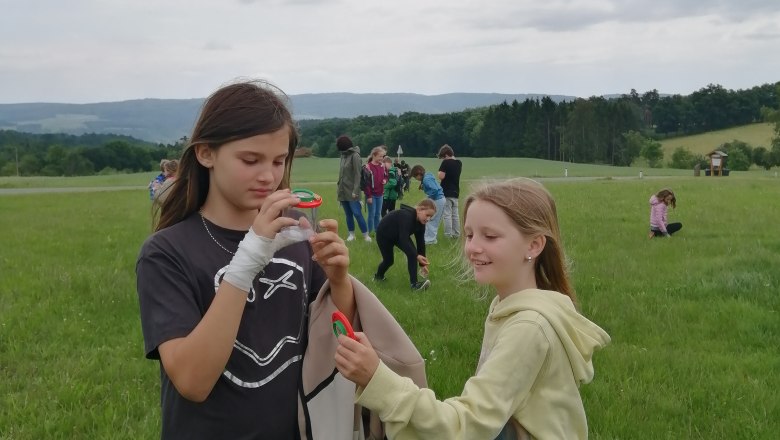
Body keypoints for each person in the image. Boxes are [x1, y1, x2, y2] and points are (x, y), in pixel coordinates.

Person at [136, 80, 372, 439]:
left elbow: (335, 339)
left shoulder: (293, 234)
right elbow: (192, 381)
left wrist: (338, 279)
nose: (269, 176)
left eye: (279, 161)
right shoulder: (166, 253)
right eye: (250, 160)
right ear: (206, 154)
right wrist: (249, 256)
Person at [335, 178, 611, 440]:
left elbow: (466, 428)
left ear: (534, 245)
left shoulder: (529, 328)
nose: (473, 248)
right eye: (469, 235)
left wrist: (377, 378)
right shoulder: (509, 305)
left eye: (490, 236)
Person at [373, 199, 435, 291]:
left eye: (431, 216)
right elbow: (403, 240)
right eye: (427, 215)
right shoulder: (407, 216)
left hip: (398, 235)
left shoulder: (421, 224)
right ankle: (378, 277)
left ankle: (414, 285)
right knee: (389, 261)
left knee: (412, 254)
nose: (428, 219)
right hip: (384, 235)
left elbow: (420, 243)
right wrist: (416, 255)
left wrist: (422, 264)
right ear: (419, 210)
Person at [337, 135, 371, 242]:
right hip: (343, 190)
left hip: (352, 191)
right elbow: (341, 173)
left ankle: (366, 235)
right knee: (348, 214)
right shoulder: (343, 156)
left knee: (357, 213)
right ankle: (351, 235)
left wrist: (355, 191)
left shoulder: (355, 156)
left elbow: (357, 175)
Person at [410, 164, 445, 245]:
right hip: (440, 199)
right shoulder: (428, 176)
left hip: (437, 200)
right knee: (433, 219)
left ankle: (430, 240)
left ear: (419, 174)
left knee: (431, 219)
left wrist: (429, 198)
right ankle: (429, 238)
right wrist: (423, 186)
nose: (417, 179)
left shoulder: (426, 179)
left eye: (416, 177)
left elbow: (435, 189)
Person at [437, 144, 463, 239]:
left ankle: (448, 234)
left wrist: (439, 171)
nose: (443, 159)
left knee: (447, 214)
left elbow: (441, 176)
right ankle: (456, 233)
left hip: (446, 191)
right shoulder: (459, 163)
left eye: (443, 157)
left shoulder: (445, 163)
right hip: (456, 191)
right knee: (455, 215)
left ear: (446, 155)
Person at [363, 146, 388, 234]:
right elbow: (366, 184)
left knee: (378, 214)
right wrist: (369, 196)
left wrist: (385, 180)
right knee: (372, 214)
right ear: (374, 155)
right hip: (371, 195)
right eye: (380, 156)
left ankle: (378, 231)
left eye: (383, 156)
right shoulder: (368, 167)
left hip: (380, 194)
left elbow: (386, 175)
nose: (382, 158)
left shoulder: (382, 166)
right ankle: (369, 232)